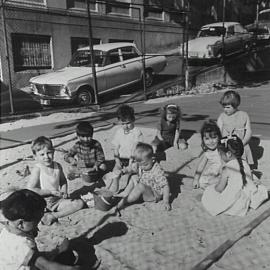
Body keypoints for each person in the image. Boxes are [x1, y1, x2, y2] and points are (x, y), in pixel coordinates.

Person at [0, 189, 81, 270]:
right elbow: (46, 266)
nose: (38, 225)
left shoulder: (7, 231)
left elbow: (31, 257)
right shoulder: (22, 244)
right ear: (21, 223)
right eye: (36, 222)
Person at [202, 135, 268, 216]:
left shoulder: (227, 168)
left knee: (209, 193)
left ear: (228, 154)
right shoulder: (245, 163)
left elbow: (220, 188)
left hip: (236, 201)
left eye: (221, 154)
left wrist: (213, 189)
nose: (220, 157)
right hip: (246, 196)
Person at [27, 136, 85, 225]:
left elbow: (63, 181)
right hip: (40, 203)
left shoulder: (57, 166)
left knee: (79, 203)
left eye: (49, 153)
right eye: (42, 154)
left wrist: (64, 191)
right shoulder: (38, 169)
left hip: (57, 201)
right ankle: (45, 215)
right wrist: (49, 192)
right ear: (35, 157)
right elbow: (31, 189)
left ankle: (54, 216)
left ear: (53, 152)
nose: (46, 157)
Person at [114, 142, 171, 212]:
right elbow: (131, 168)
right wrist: (123, 171)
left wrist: (166, 201)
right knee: (134, 177)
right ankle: (126, 193)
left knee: (140, 186)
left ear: (153, 159)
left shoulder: (157, 170)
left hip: (153, 194)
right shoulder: (140, 164)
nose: (142, 167)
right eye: (140, 165)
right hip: (144, 184)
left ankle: (124, 201)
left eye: (145, 165)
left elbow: (165, 186)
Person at [106, 104, 143, 192]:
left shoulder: (137, 132)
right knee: (115, 173)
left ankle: (130, 189)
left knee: (132, 176)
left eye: (128, 123)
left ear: (133, 120)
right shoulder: (119, 132)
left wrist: (131, 162)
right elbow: (116, 148)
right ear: (119, 121)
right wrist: (117, 162)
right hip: (121, 159)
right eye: (123, 123)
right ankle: (113, 190)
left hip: (133, 159)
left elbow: (136, 148)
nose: (125, 126)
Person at [217, 90, 254, 167]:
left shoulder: (244, 115)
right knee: (228, 166)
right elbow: (218, 131)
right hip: (227, 145)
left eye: (228, 107)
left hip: (241, 145)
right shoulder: (222, 117)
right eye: (224, 107)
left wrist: (243, 142)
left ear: (236, 105)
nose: (225, 109)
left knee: (243, 165)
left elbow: (248, 131)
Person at [193, 120, 223, 189]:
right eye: (207, 139)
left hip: (222, 173)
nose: (211, 141)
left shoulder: (221, 149)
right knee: (201, 182)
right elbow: (201, 166)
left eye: (214, 137)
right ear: (203, 140)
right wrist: (196, 179)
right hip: (212, 173)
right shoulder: (207, 153)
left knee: (221, 181)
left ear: (219, 137)